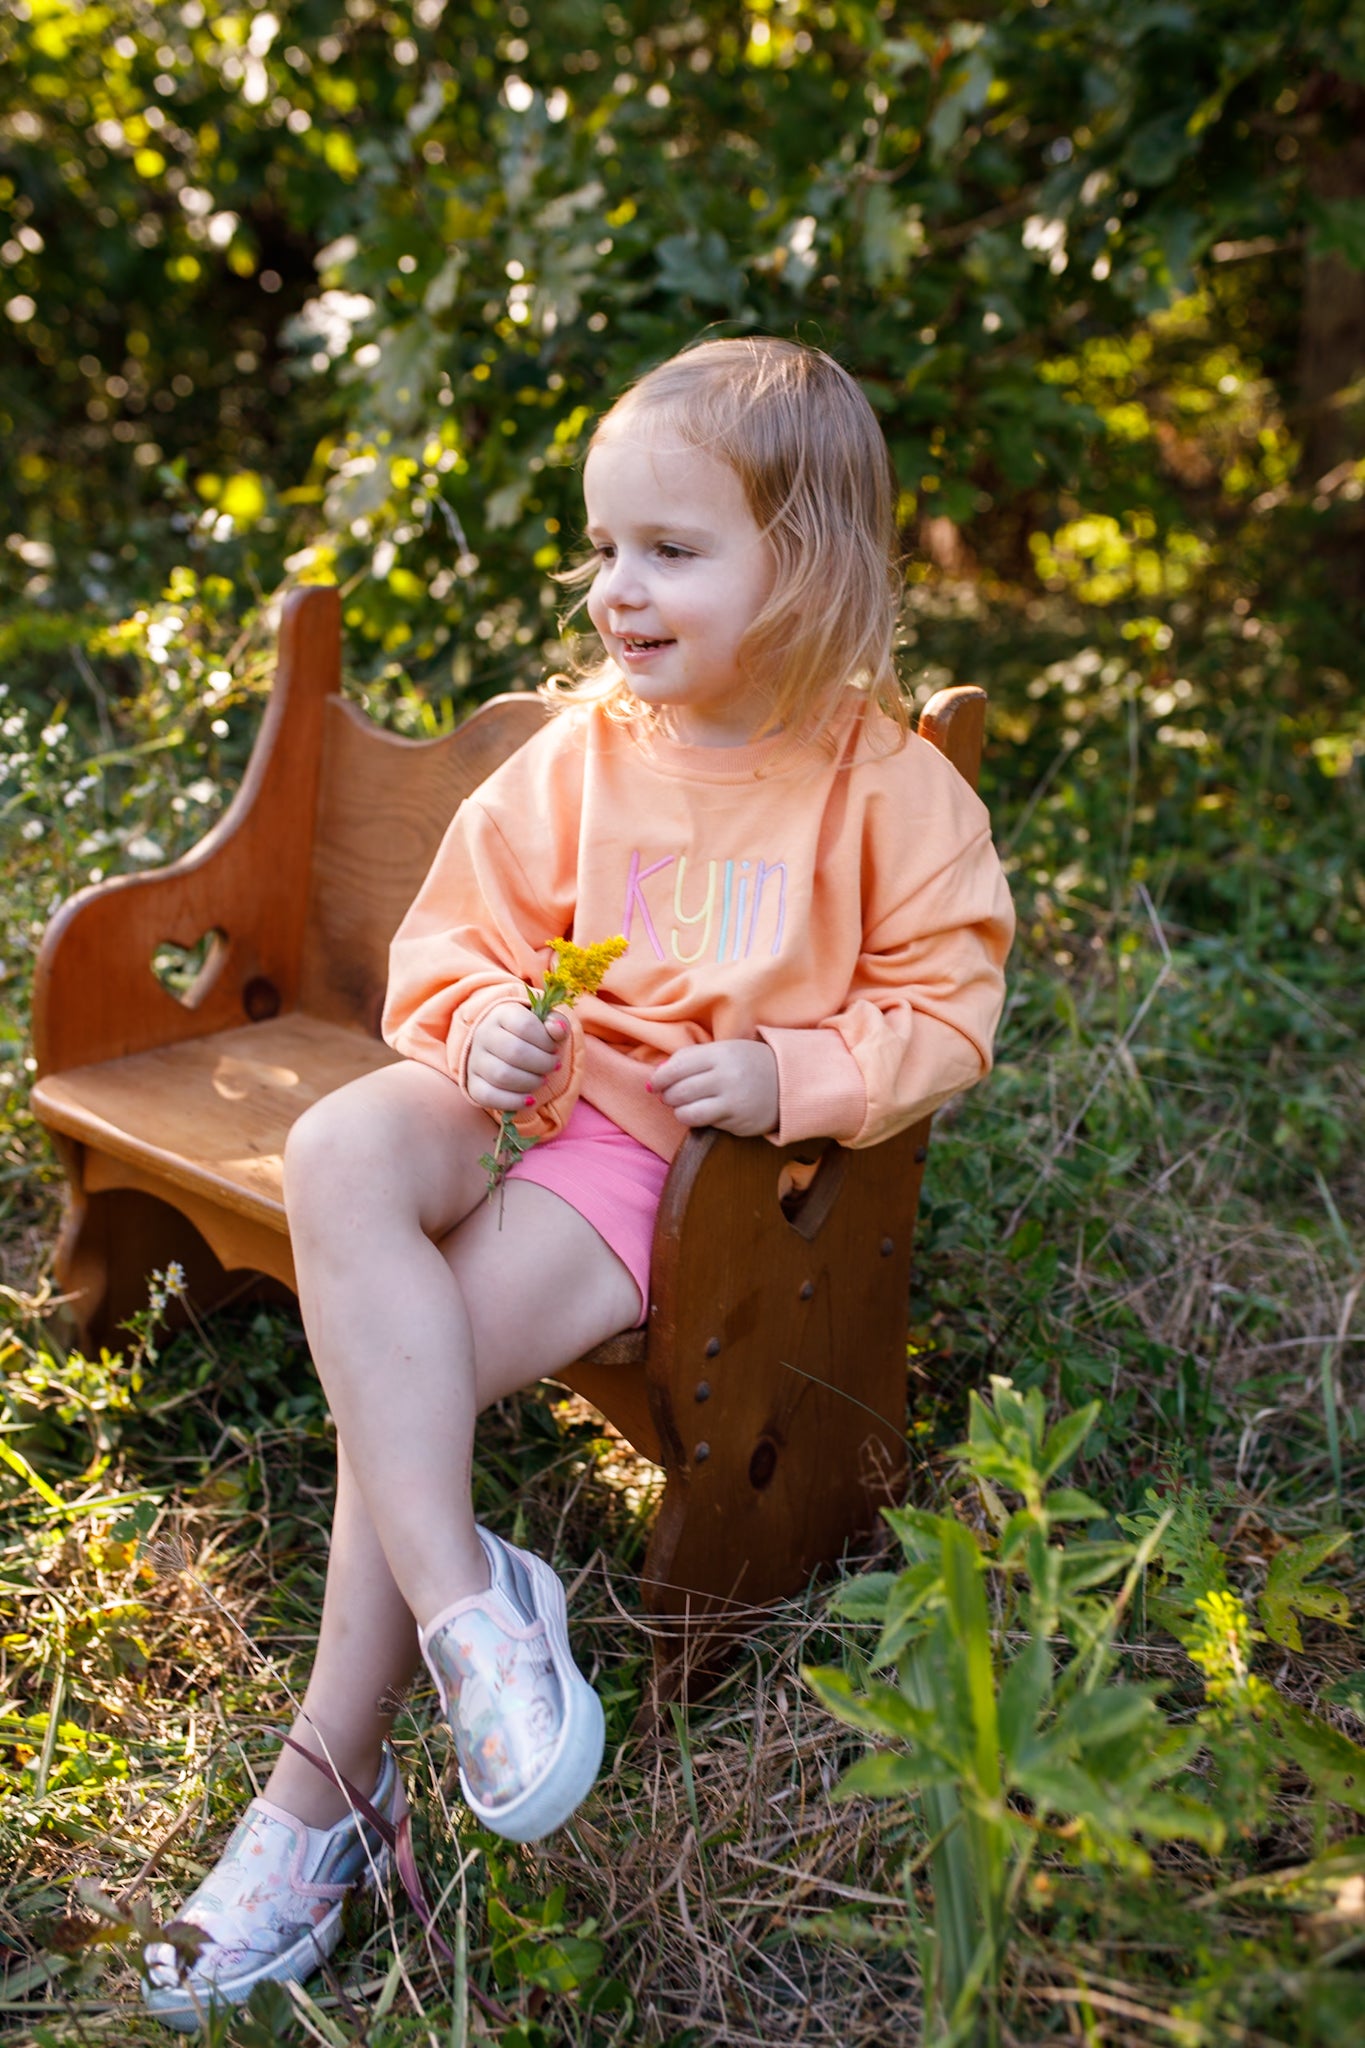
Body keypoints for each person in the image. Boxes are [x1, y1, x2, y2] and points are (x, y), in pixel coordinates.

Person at [142, 335, 1015, 2027]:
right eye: (605, 548)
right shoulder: (582, 753)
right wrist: (476, 1037)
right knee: (337, 1142)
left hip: (644, 1170)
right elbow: (450, 948)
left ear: (812, 563)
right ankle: (473, 1601)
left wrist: (788, 1074)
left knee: (412, 1373)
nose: (618, 589)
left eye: (672, 551)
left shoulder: (884, 792)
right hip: (512, 1101)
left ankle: (320, 1798)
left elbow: (945, 1012)